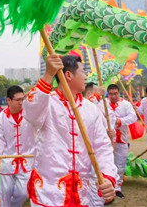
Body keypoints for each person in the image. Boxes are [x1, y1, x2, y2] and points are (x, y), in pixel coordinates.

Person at [23, 55, 117, 206]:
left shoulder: (91, 109)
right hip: (49, 193)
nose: (86, 76)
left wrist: (108, 177)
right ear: (68, 75)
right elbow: (30, 113)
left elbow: (102, 147)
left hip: (80, 193)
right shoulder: (48, 102)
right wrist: (48, 75)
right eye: (83, 71)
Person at [0, 86, 36, 207]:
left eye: (22, 99)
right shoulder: (1, 119)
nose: (21, 102)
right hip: (8, 161)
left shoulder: (29, 115)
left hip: (26, 161)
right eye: (18, 100)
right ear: (8, 100)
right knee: (5, 193)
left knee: (23, 192)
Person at [106, 84, 137, 198]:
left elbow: (133, 117)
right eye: (111, 94)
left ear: (119, 93)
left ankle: (117, 187)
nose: (113, 96)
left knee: (120, 164)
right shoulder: (103, 104)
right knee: (107, 162)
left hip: (121, 139)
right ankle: (108, 185)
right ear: (107, 94)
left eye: (115, 94)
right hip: (107, 139)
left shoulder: (125, 104)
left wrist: (119, 121)